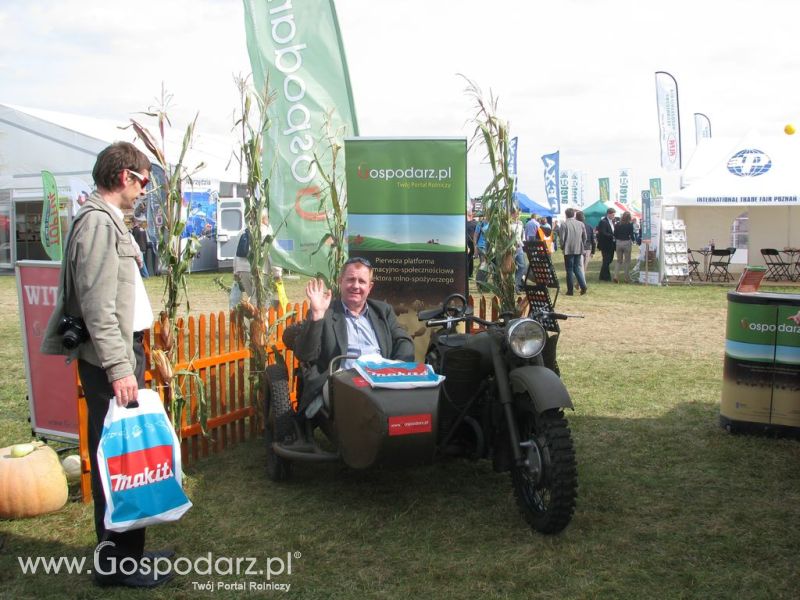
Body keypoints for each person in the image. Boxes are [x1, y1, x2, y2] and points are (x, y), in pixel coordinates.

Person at [41, 142, 173, 588]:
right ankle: (118, 564)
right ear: (124, 177)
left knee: (125, 456)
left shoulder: (106, 220)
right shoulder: (97, 224)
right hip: (110, 358)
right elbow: (98, 307)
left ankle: (125, 553)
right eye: (142, 180)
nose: (144, 190)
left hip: (119, 352)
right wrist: (119, 368)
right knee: (118, 459)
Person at [293, 256, 414, 420]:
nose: (356, 286)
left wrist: (397, 368)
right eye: (350, 280)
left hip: (381, 379)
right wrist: (317, 314)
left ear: (370, 287)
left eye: (362, 281)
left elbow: (403, 340)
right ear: (340, 281)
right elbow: (306, 354)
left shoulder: (383, 311)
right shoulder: (325, 312)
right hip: (342, 382)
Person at [559, 208, 588, 296]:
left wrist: (562, 246)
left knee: (569, 270)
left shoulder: (564, 224)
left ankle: (570, 290)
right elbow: (585, 237)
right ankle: (583, 286)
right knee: (577, 268)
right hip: (578, 248)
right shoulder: (581, 224)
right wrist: (581, 244)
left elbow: (562, 238)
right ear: (574, 215)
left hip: (568, 249)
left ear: (566, 215)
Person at [613, 211, 635, 283]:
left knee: (619, 261)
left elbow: (615, 234)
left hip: (619, 242)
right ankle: (626, 278)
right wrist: (634, 240)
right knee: (627, 261)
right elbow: (631, 235)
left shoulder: (617, 224)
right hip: (627, 242)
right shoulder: (630, 225)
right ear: (629, 217)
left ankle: (616, 276)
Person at [597, 207, 616, 281]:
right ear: (608, 214)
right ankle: (607, 277)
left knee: (609, 260)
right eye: (613, 215)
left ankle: (602, 276)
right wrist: (613, 236)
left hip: (611, 244)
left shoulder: (612, 222)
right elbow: (603, 233)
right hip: (605, 244)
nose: (614, 216)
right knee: (606, 260)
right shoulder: (603, 222)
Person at [510, 208, 526, 291]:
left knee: (522, 266)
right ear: (512, 214)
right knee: (510, 268)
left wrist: (522, 242)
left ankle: (516, 285)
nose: (518, 215)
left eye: (519, 214)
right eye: (517, 213)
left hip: (519, 248)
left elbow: (522, 234)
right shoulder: (508, 223)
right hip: (510, 249)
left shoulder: (521, 223)